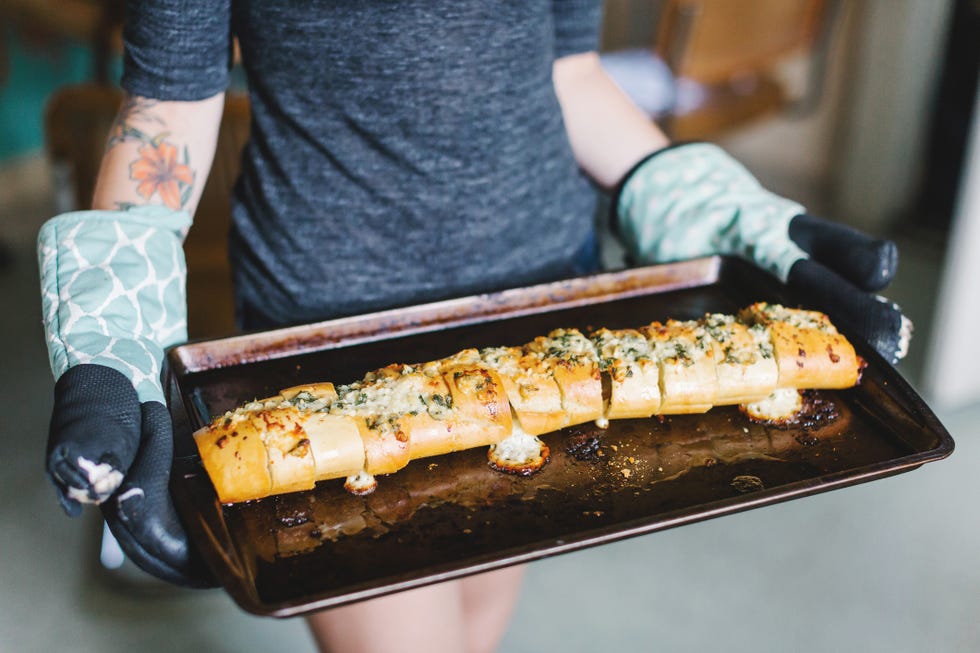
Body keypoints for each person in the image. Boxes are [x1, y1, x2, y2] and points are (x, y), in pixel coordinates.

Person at [38, 2, 907, 651]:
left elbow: (567, 73)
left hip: (543, 320)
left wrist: (694, 195)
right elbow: (171, 105)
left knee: (476, 616)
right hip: (328, 348)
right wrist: (111, 310)